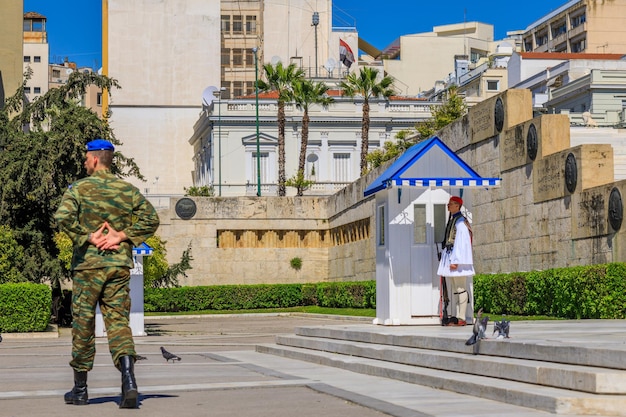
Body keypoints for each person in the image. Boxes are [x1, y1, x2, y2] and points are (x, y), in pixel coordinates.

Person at [55, 139, 160, 408]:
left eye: (85, 157)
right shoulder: (127, 190)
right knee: (118, 323)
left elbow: (63, 218)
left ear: (93, 159)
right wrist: (122, 235)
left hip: (88, 268)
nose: (83, 162)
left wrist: (88, 237)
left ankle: (80, 390)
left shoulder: (79, 189)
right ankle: (128, 381)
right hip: (117, 266)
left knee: (83, 324)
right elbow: (151, 219)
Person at [437, 195, 474, 326]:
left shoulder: (460, 222)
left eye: (451, 204)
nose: (448, 206)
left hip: (457, 259)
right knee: (455, 288)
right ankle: (456, 316)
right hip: (451, 256)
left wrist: (456, 261)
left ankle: (462, 317)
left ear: (457, 206)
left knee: (460, 287)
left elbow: (461, 243)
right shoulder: (453, 220)